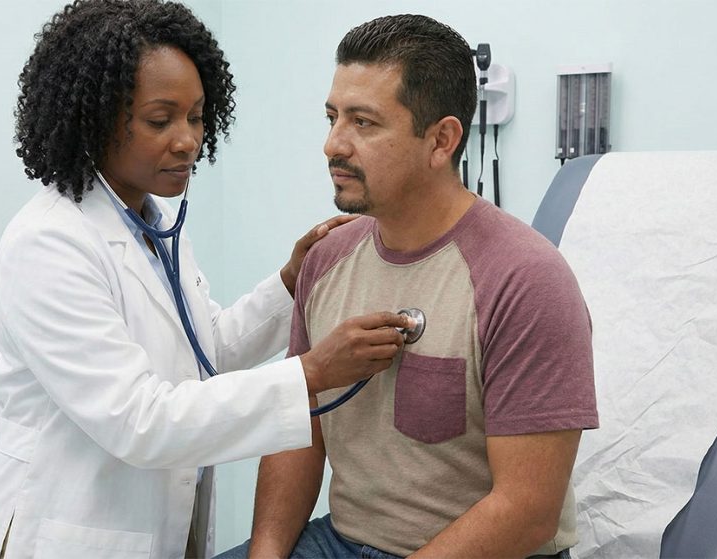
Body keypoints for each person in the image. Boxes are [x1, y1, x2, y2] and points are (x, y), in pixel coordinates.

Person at [0, 2, 415, 558]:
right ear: (96, 120)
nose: (187, 140)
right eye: (160, 120)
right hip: (63, 530)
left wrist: (289, 283)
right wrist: (313, 372)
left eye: (196, 117)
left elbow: (201, 355)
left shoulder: (153, 225)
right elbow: (139, 420)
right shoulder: (49, 243)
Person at [218, 14, 599, 559]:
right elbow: (299, 433)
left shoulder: (525, 280)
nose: (333, 144)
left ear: (441, 140)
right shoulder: (325, 260)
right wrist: (267, 553)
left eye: (363, 123)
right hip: (341, 540)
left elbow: (528, 511)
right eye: (332, 118)